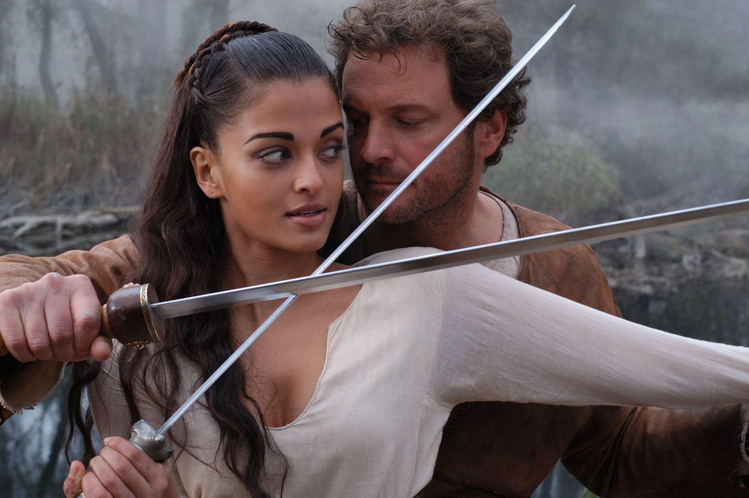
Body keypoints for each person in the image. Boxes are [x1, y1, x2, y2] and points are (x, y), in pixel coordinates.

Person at [0, 1, 748, 496]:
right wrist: (32, 306)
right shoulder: (297, 223)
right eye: (353, 122)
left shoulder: (553, 267)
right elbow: (73, 276)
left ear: (488, 129)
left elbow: (624, 447)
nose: (368, 152)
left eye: (409, 121)